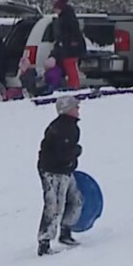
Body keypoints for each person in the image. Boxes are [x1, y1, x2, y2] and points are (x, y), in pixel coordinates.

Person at [37, 96, 83, 256]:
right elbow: (61, 153)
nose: (78, 109)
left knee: (76, 200)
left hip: (65, 170)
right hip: (53, 171)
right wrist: (77, 151)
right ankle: (44, 242)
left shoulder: (71, 127)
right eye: (76, 107)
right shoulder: (61, 128)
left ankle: (66, 231)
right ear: (67, 110)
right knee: (54, 206)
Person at [52, 0, 86, 89]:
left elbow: (73, 30)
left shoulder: (67, 17)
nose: (55, 12)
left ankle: (74, 85)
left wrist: (72, 41)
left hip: (71, 46)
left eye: (56, 9)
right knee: (69, 65)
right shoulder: (66, 15)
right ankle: (73, 84)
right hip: (68, 45)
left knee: (70, 64)